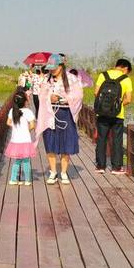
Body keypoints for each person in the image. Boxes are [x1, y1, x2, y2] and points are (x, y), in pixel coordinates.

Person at [37, 55, 83, 184]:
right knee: (50, 144)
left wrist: (62, 98)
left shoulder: (72, 79)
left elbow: (78, 97)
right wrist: (48, 98)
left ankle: (63, 172)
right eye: (50, 68)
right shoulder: (46, 79)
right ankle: (53, 171)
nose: (52, 71)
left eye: (54, 68)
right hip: (50, 115)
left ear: (61, 66)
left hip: (66, 114)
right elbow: (41, 96)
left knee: (66, 144)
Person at [93, 58, 134, 174]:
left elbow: (96, 93)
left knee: (101, 139)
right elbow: (129, 99)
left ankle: (100, 166)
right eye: (128, 71)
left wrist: (105, 105)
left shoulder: (103, 75)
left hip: (102, 113)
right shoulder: (126, 79)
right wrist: (118, 106)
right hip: (117, 115)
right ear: (125, 68)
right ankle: (116, 167)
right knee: (117, 140)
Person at [5, 91, 36, 186]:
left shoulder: (12, 111)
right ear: (25, 102)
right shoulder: (28, 112)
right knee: (26, 160)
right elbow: (32, 125)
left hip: (15, 140)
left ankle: (13, 179)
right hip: (25, 140)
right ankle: (27, 180)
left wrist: (15, 127)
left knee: (17, 160)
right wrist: (27, 130)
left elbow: (8, 122)